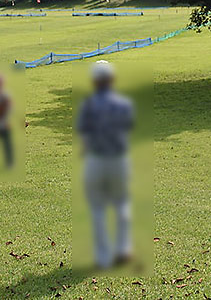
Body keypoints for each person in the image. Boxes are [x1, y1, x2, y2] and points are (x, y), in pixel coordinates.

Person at [76, 60, 134, 269]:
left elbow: (84, 136)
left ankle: (103, 257)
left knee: (97, 208)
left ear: (94, 81)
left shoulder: (88, 105)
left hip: (96, 159)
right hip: (118, 159)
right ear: (112, 79)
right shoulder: (123, 104)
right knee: (122, 204)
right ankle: (122, 249)